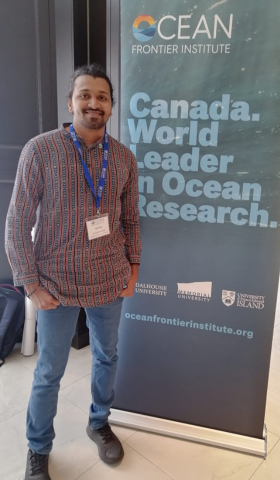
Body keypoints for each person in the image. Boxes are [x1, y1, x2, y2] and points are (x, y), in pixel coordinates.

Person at [5, 63, 141, 480]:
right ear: (71, 102)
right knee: (49, 371)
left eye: (102, 97)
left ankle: (99, 422)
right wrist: (30, 283)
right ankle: (38, 448)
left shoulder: (123, 158)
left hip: (109, 280)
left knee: (107, 356)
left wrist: (134, 267)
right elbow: (16, 221)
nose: (93, 103)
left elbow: (131, 219)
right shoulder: (40, 149)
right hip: (56, 285)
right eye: (85, 95)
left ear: (111, 108)